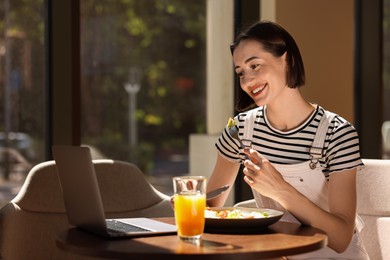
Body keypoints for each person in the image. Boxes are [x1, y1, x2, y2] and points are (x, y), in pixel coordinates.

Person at [206, 20, 370, 259]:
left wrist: (280, 190)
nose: (248, 81)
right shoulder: (240, 129)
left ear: (287, 60)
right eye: (241, 72)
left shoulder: (337, 132)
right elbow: (211, 208)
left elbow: (341, 238)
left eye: (255, 65)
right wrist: (190, 205)